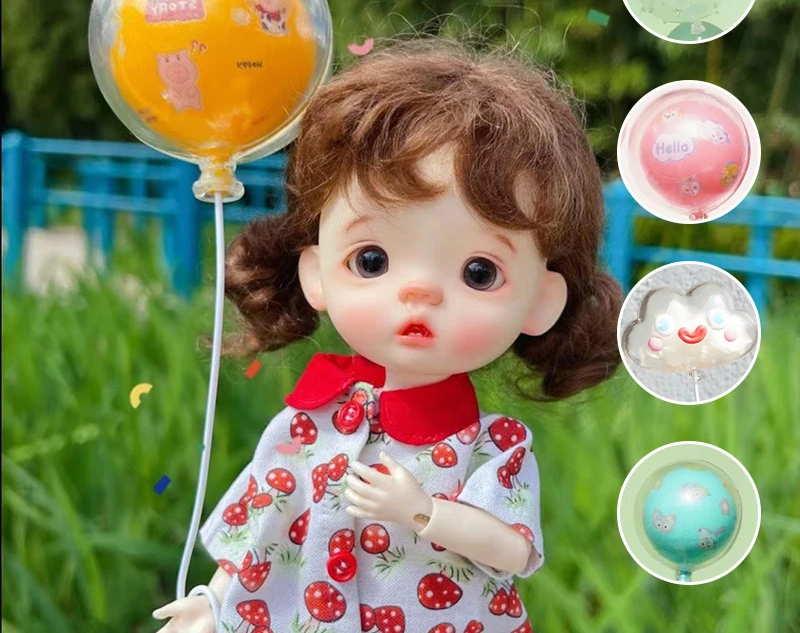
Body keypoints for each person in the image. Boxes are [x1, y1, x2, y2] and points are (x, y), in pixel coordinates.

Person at [152, 39, 621, 632]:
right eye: (371, 260)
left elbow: (512, 550)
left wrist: (424, 512)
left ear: (540, 302)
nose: (419, 292)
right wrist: (214, 602)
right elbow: (261, 523)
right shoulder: (307, 424)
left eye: (480, 273)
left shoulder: (493, 446)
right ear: (316, 273)